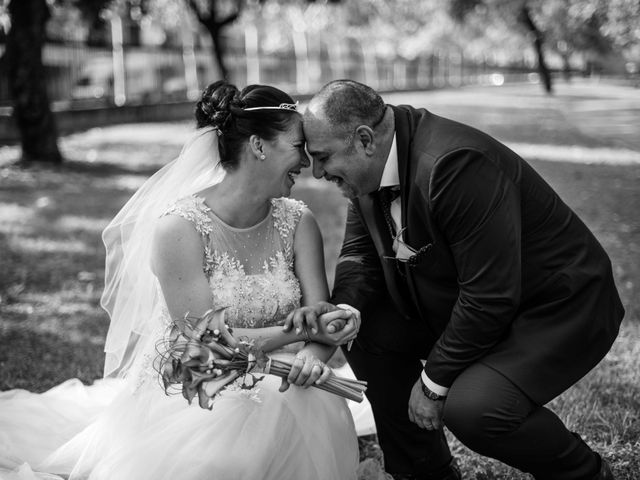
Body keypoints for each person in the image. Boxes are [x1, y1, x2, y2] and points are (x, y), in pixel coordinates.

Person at [0, 81, 361, 480]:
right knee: (222, 456)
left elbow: (320, 323)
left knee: (288, 412)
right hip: (200, 379)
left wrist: (313, 353)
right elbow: (206, 341)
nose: (307, 164)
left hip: (288, 382)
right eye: (298, 147)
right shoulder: (179, 228)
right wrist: (294, 335)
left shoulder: (298, 221)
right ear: (258, 146)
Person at [298, 79, 624, 480]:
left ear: (365, 139)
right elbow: (358, 255)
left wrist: (433, 383)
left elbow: (490, 295)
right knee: (363, 328)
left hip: (556, 307)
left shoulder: (455, 163)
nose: (316, 172)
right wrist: (348, 308)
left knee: (475, 408)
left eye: (323, 157)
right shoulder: (368, 170)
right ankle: (425, 473)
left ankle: (586, 473)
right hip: (472, 304)